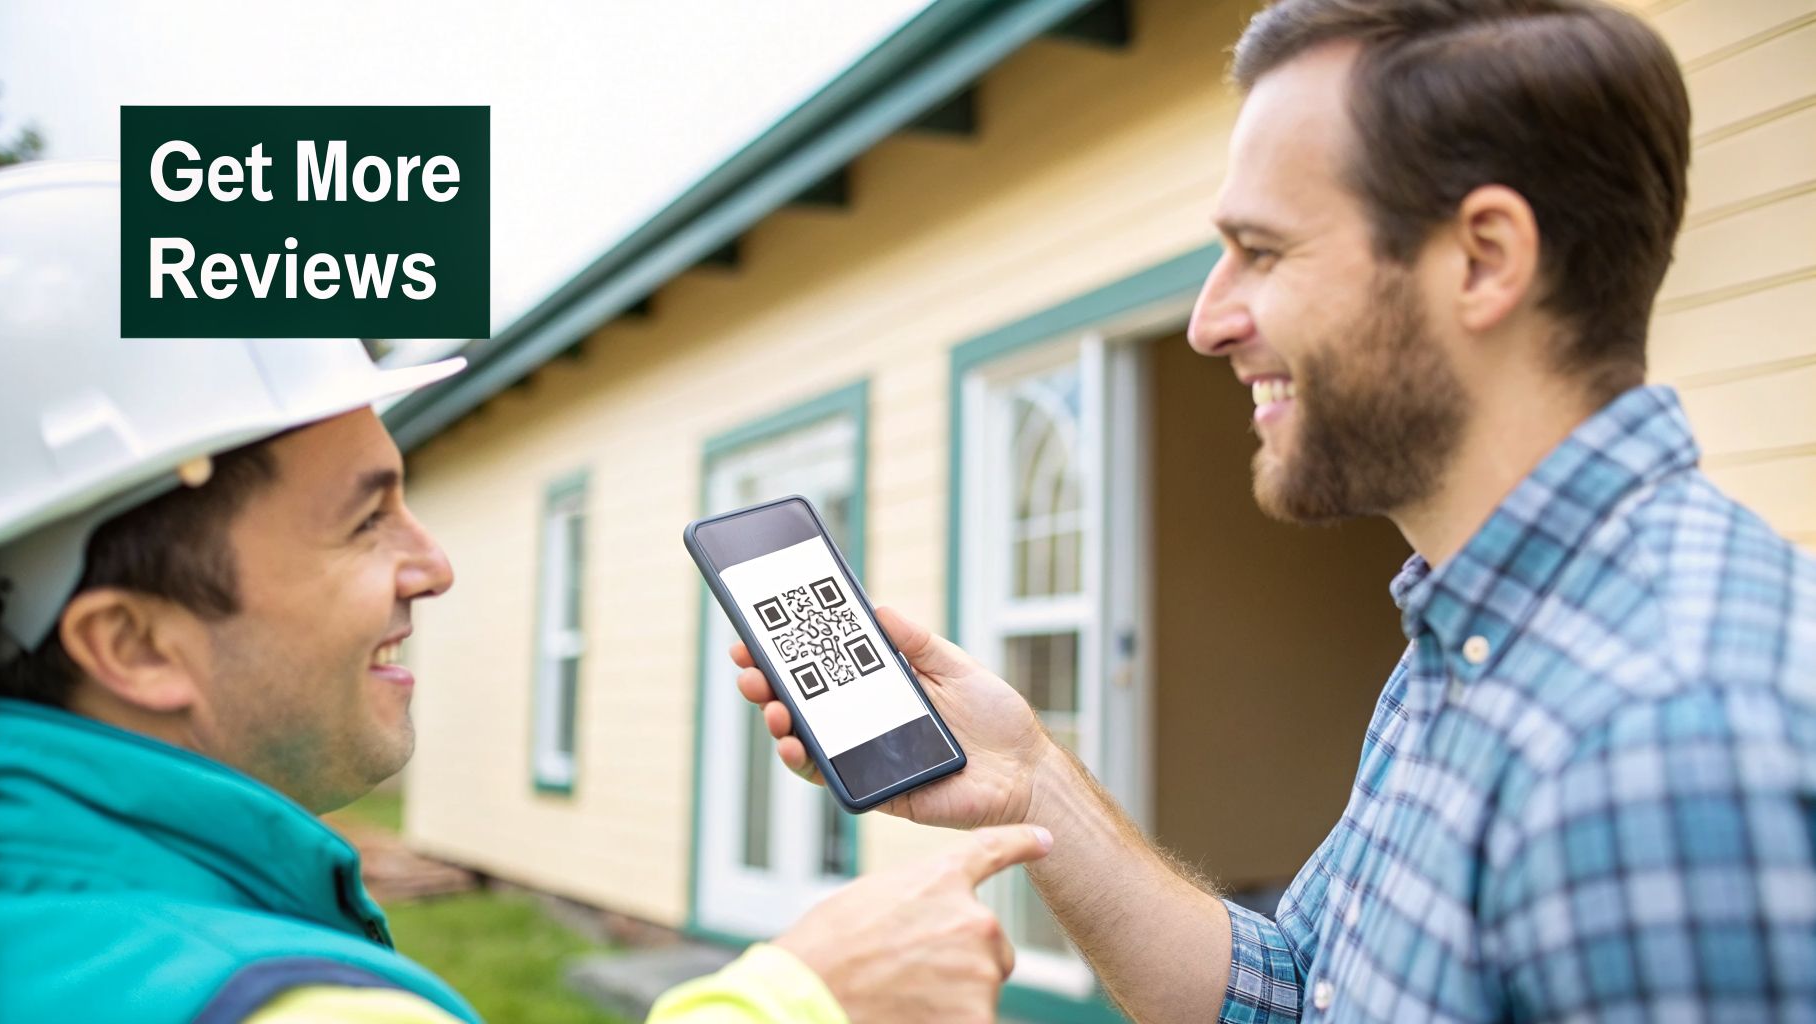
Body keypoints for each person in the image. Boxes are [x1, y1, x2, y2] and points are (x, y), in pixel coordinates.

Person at [735, 1, 1816, 1020]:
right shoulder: (1467, 641)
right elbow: (1295, 993)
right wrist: (1034, 781)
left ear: (1483, 260)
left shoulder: (1668, 738)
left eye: (1261, 251)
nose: (1208, 322)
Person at [0, 160, 1049, 1024]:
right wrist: (811, 1003)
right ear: (134, 643)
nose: (434, 566)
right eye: (365, 521)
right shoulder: (271, 1001)